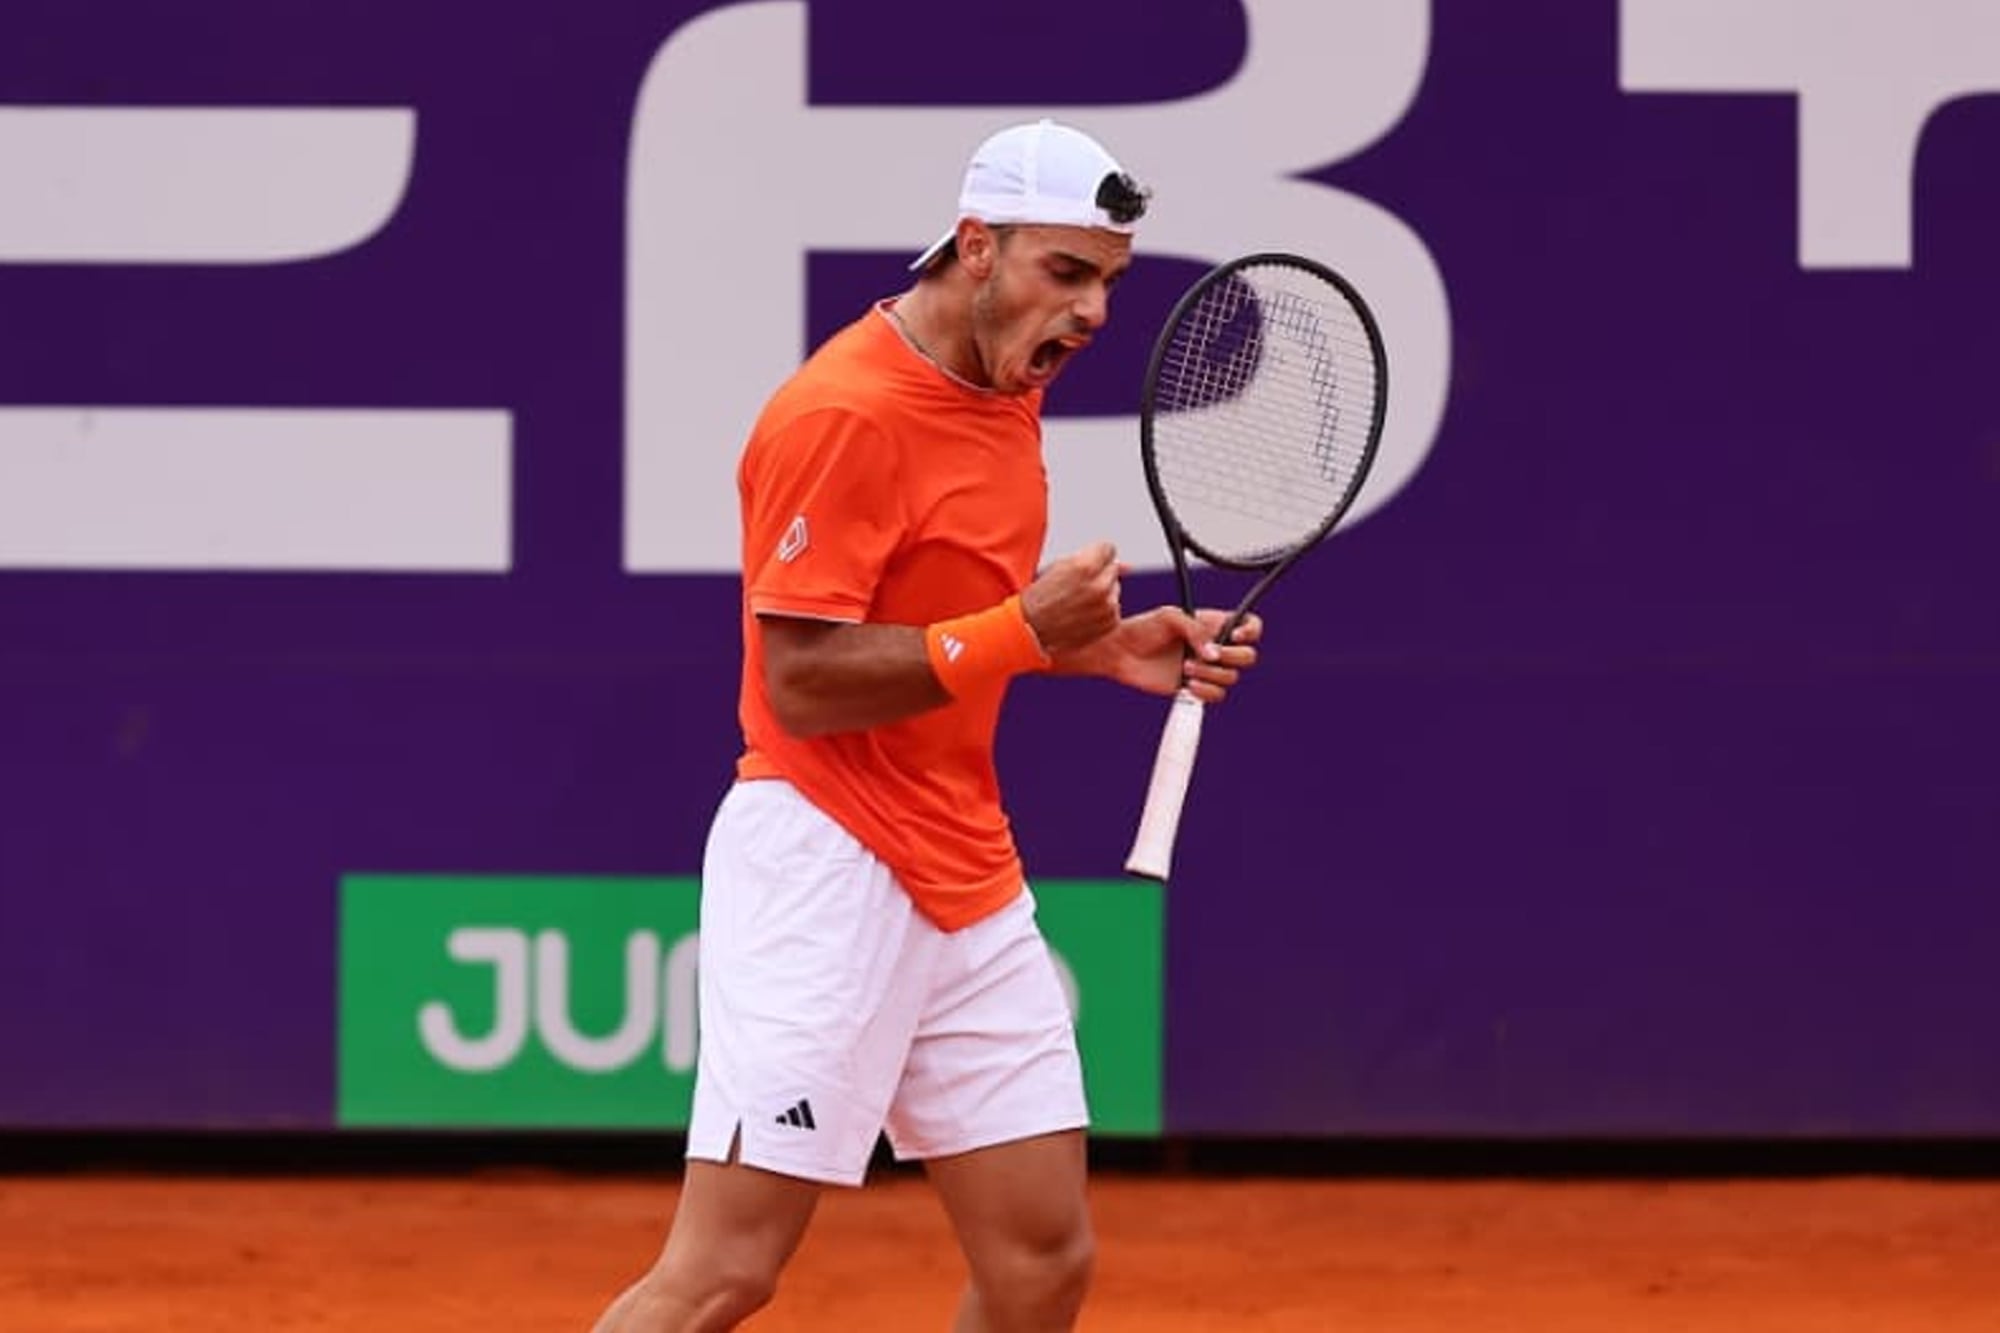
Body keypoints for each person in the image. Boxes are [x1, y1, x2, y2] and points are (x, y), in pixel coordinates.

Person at [590, 117, 1263, 1333]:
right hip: (826, 861)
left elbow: (938, 629)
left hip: (964, 872)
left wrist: (1097, 645)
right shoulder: (840, 414)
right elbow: (796, 680)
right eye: (1065, 272)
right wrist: (1021, 627)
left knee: (1039, 1261)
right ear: (973, 247)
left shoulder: (1004, 396)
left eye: (1109, 280)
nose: (1093, 311)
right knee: (724, 1272)